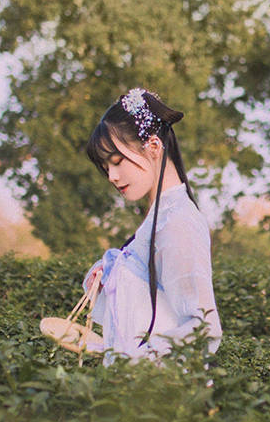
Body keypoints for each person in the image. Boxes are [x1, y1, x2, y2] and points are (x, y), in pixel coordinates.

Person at [81, 87, 221, 364]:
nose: (111, 176)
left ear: (154, 146)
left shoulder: (177, 223)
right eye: (106, 167)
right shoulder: (158, 220)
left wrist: (138, 362)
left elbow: (203, 326)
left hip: (161, 394)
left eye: (117, 161)